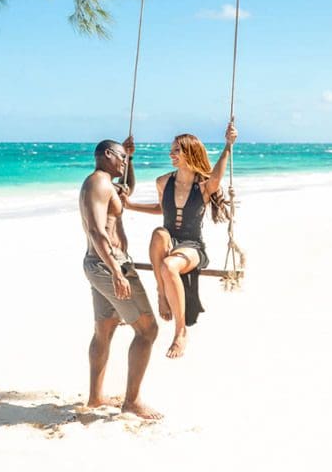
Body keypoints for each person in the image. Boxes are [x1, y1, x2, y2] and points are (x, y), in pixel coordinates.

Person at [123, 120, 237, 359]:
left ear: (189, 153)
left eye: (177, 150)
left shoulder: (204, 185)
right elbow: (161, 208)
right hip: (168, 241)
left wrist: (228, 146)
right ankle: (161, 293)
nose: (171, 153)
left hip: (193, 247)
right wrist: (131, 204)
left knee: (168, 265)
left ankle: (180, 331)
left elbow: (217, 175)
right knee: (159, 233)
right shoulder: (163, 181)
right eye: (172, 149)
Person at [79, 137, 161, 420]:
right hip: (109, 266)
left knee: (105, 329)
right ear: (105, 154)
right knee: (148, 330)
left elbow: (126, 191)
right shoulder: (97, 183)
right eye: (121, 157)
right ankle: (132, 401)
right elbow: (95, 230)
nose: (124, 162)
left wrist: (132, 159)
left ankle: (95, 397)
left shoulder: (106, 185)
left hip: (100, 264)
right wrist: (116, 272)